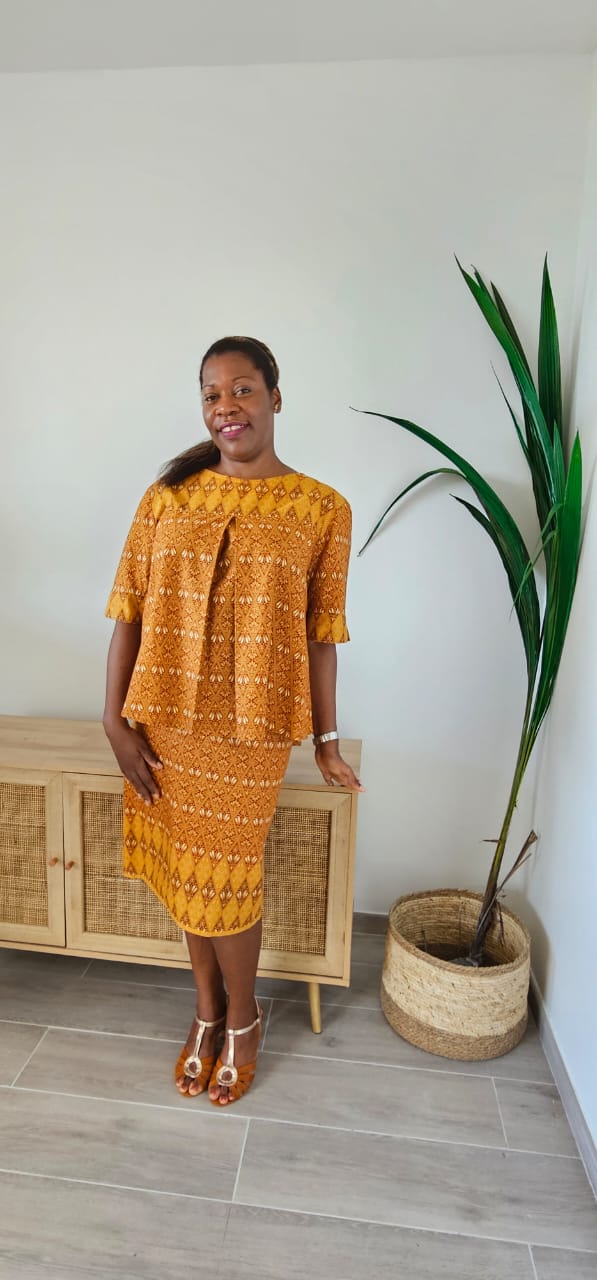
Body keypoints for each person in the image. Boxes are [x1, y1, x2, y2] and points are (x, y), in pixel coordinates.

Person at [103, 335, 363, 1107]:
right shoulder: (166, 498)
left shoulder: (322, 509)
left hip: (251, 730)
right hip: (164, 720)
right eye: (212, 394)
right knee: (190, 873)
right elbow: (128, 613)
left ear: (274, 398)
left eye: (242, 389)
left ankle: (243, 1020)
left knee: (227, 879)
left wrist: (326, 742)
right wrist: (114, 723)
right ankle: (206, 1012)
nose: (227, 406)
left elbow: (321, 636)